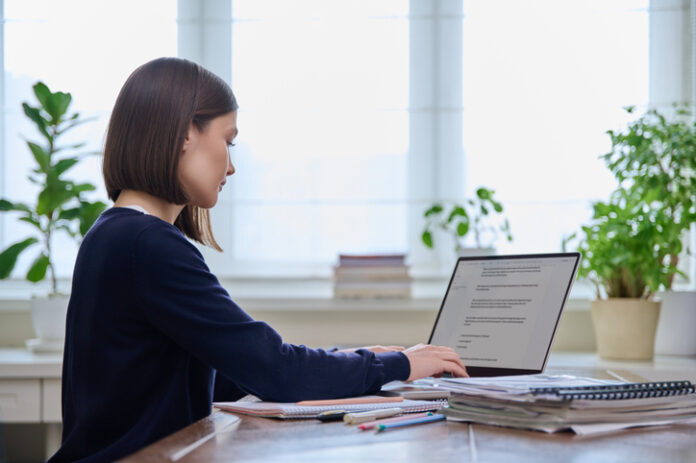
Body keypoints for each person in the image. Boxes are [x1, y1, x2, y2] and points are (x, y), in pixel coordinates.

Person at [47, 57, 467, 463]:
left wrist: (359, 359)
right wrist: (401, 363)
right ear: (183, 134)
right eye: (227, 142)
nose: (231, 167)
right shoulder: (147, 244)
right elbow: (275, 371)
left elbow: (234, 372)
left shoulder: (113, 233)